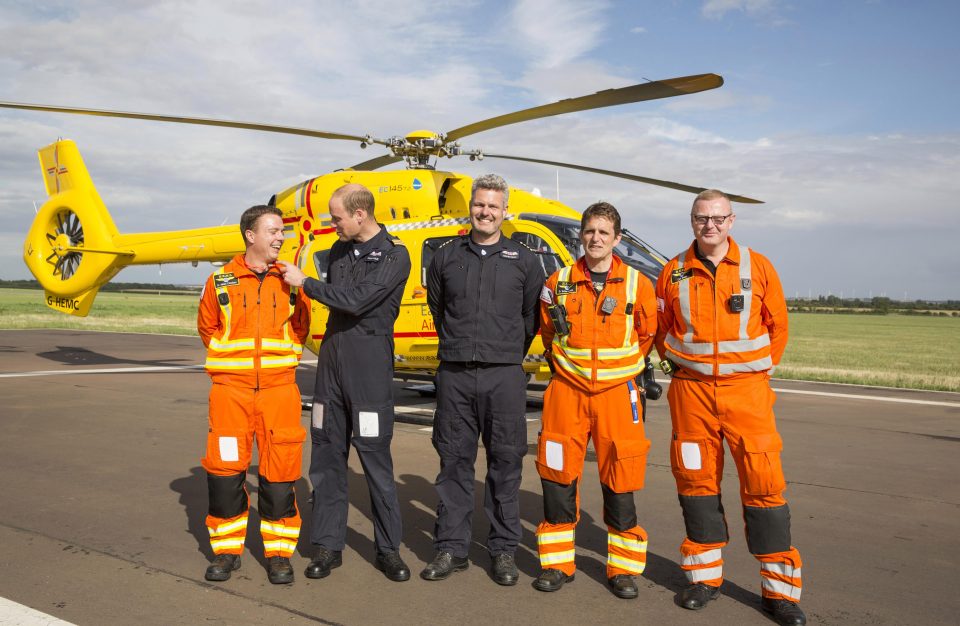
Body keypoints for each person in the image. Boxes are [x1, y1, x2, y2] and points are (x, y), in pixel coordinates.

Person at [654, 190, 805, 625]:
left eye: (718, 218)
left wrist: (751, 374)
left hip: (747, 395)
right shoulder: (674, 272)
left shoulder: (758, 267)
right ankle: (704, 579)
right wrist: (684, 370)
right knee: (696, 484)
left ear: (732, 221)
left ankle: (779, 593)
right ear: (692, 222)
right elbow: (661, 330)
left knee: (764, 485)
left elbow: (778, 328)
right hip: (692, 395)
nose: (710, 226)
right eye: (702, 218)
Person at [278, 183, 411, 583]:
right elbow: (340, 301)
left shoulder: (395, 255)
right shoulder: (338, 250)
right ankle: (327, 545)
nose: (331, 223)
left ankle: (389, 549)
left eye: (336, 217)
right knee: (326, 458)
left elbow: (354, 300)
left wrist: (307, 284)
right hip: (332, 365)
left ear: (359, 214)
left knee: (375, 461)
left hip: (368, 368)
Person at [421, 173, 544, 586]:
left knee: (506, 464)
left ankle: (503, 549)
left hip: (504, 375)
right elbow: (440, 310)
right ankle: (451, 547)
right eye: (479, 205)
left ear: (505, 210)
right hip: (455, 374)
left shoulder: (524, 260)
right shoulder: (445, 256)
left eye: (493, 206)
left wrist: (503, 351)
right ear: (469, 207)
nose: (485, 212)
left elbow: (531, 320)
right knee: (453, 462)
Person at [533, 201, 657, 599]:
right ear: (581, 236)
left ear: (617, 238)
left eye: (604, 232)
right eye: (590, 231)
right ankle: (557, 565)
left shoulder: (639, 284)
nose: (596, 238)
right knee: (556, 476)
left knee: (620, 479)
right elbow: (549, 332)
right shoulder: (558, 281)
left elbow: (647, 334)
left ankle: (622, 569)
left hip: (618, 395)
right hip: (566, 392)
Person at [197, 204, 310, 585]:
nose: (281, 237)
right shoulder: (220, 281)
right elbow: (207, 328)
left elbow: (301, 328)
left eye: (282, 232)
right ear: (251, 235)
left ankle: (279, 555)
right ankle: (226, 553)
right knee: (225, 472)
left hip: (280, 392)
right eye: (274, 231)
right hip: (231, 394)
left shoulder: (291, 281)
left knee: (280, 472)